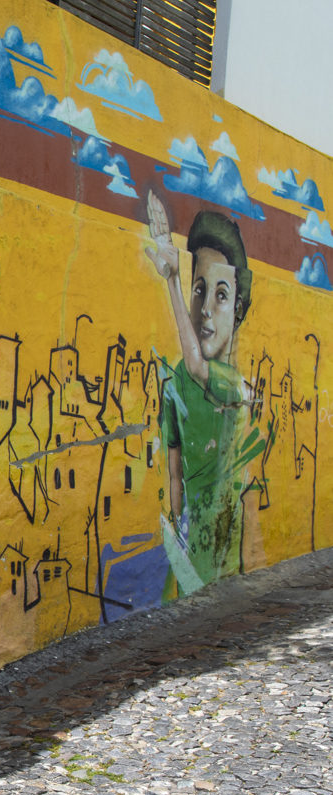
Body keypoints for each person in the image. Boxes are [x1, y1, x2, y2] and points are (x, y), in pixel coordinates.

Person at [143, 190, 259, 592]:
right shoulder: (175, 378)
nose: (206, 307)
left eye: (221, 295)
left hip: (225, 568)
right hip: (186, 569)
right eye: (198, 289)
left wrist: (173, 280)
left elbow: (197, 364)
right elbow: (174, 470)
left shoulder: (235, 386)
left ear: (239, 309)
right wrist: (177, 530)